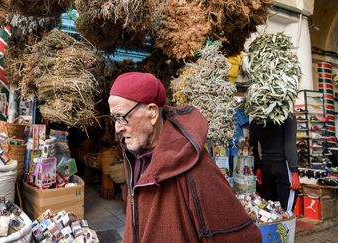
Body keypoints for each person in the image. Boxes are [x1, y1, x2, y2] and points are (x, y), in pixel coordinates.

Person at [108, 72, 261, 243]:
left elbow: (241, 237)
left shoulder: (195, 166)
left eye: (122, 117)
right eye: (114, 118)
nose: (117, 128)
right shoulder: (136, 157)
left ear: (152, 113)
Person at [249, 115, 300, 212]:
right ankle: (285, 226)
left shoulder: (256, 120)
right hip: (283, 166)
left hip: (266, 167)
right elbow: (290, 146)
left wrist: (258, 168)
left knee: (271, 209)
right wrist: (294, 172)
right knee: (286, 212)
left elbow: (253, 147)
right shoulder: (287, 117)